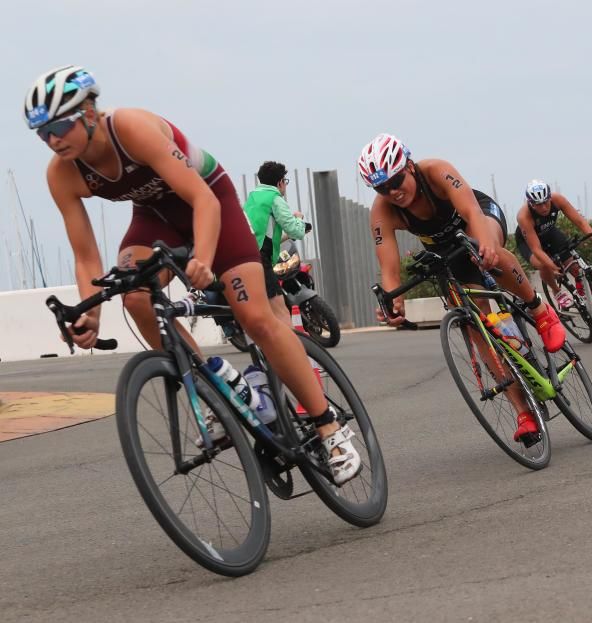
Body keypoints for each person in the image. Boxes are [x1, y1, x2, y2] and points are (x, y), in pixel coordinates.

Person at [25, 65, 359, 484]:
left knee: (255, 317)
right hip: (156, 217)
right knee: (134, 295)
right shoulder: (61, 173)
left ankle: (329, 427)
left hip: (210, 200)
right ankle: (217, 392)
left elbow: (203, 199)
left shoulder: (129, 128)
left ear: (89, 112)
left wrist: (202, 257)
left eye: (59, 125)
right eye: (42, 134)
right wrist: (88, 313)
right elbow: (85, 255)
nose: (53, 140)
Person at [360, 133, 564, 443]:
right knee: (474, 324)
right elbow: (388, 269)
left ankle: (539, 310)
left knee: (486, 251)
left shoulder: (437, 171)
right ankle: (523, 412)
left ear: (410, 167)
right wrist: (394, 300)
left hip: (479, 217)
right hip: (444, 247)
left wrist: (485, 243)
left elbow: (471, 212)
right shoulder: (382, 212)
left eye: (396, 180)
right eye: (381, 188)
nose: (393, 191)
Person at [513, 179, 592, 310]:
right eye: (538, 205)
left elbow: (580, 221)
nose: (544, 208)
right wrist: (552, 266)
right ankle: (557, 292)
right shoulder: (524, 216)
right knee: (543, 264)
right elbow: (536, 249)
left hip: (549, 234)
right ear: (531, 204)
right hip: (528, 242)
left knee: (574, 265)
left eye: (546, 202)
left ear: (550, 197)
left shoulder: (558, 199)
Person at [243, 161, 306, 327]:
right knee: (281, 312)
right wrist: (299, 218)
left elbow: (263, 234)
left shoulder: (253, 198)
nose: (285, 185)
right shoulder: (275, 199)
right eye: (285, 181)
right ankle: (292, 351)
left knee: (266, 312)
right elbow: (296, 231)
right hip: (260, 260)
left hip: (245, 258)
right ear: (280, 182)